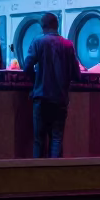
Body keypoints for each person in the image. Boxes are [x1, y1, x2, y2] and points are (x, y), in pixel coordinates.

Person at [23, 12, 81, 158]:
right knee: (56, 138)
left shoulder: (38, 42)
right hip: (60, 99)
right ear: (57, 25)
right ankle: (55, 173)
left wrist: (36, 81)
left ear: (43, 26)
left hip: (41, 97)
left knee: (39, 140)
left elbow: (27, 67)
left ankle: (37, 174)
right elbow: (76, 74)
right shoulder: (68, 45)